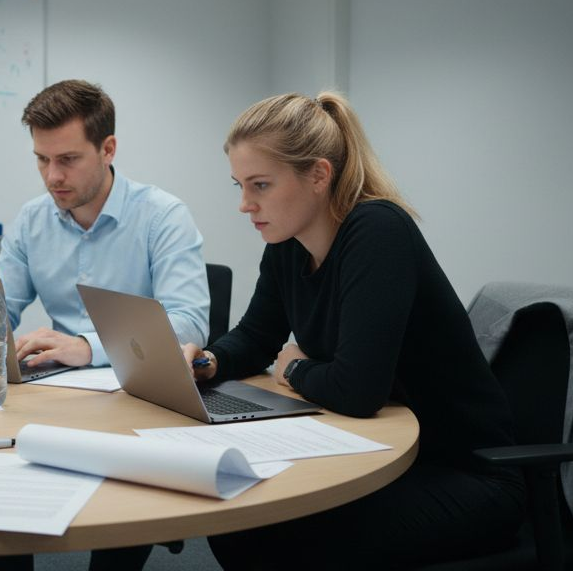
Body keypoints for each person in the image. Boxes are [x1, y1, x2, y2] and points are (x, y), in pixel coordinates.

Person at [180, 92, 526, 569]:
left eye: (259, 185)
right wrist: (208, 361)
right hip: (378, 455)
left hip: (463, 475)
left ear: (319, 175)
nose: (244, 204)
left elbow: (358, 390)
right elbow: (257, 336)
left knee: (274, 535)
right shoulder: (287, 242)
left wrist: (296, 368)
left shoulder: (377, 231)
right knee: (238, 523)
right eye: (239, 185)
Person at [0, 79, 210, 369]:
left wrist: (89, 347)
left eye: (67, 159)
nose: (52, 176)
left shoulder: (163, 216)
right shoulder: (31, 220)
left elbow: (189, 324)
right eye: (42, 159)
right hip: (57, 386)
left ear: (107, 150)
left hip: (139, 384)